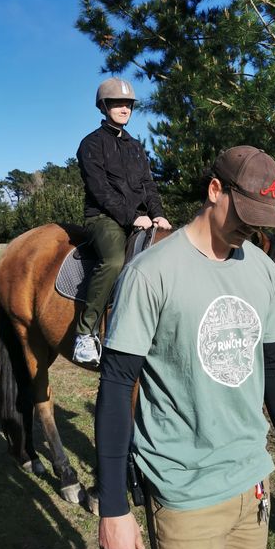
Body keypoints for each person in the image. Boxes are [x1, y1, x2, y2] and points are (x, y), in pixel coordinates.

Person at [95, 146, 275, 549]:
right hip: (184, 495)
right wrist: (113, 507)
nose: (250, 230)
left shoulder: (263, 270)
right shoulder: (151, 273)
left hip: (252, 486)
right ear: (215, 190)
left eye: (260, 220)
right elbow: (118, 383)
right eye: (244, 215)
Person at [73, 77, 171, 366]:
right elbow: (99, 189)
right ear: (104, 106)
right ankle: (85, 333)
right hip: (103, 218)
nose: (124, 108)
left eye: (127, 104)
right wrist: (132, 217)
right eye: (117, 103)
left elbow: (148, 185)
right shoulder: (90, 144)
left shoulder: (136, 147)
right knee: (114, 261)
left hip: (141, 218)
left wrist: (158, 213)